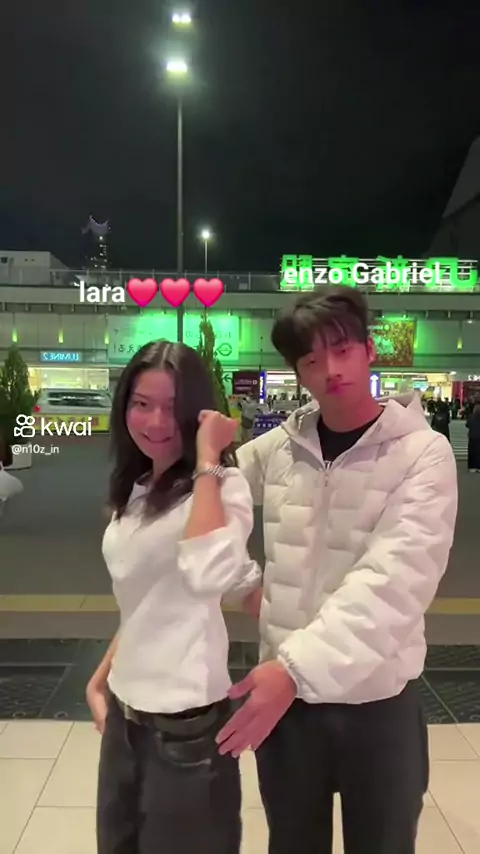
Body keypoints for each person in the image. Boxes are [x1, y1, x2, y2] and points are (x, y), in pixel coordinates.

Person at [216, 286, 458, 854]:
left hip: (378, 704)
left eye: (342, 349)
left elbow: (394, 583)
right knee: (292, 842)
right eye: (310, 359)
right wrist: (246, 584)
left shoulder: (422, 454)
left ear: (369, 350)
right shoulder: (278, 450)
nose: (330, 370)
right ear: (298, 372)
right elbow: (207, 510)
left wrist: (291, 669)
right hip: (289, 711)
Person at [86, 339, 262, 854]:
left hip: (187, 727)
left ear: (197, 413)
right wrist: (101, 678)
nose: (156, 422)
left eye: (172, 407)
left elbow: (207, 574)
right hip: (125, 717)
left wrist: (208, 458)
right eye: (142, 403)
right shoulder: (138, 486)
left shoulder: (223, 486)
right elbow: (143, 603)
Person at [466, 400, 480, 472]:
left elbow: (467, 425)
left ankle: (472, 466)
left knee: (471, 451)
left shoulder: (471, 417)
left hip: (472, 436)